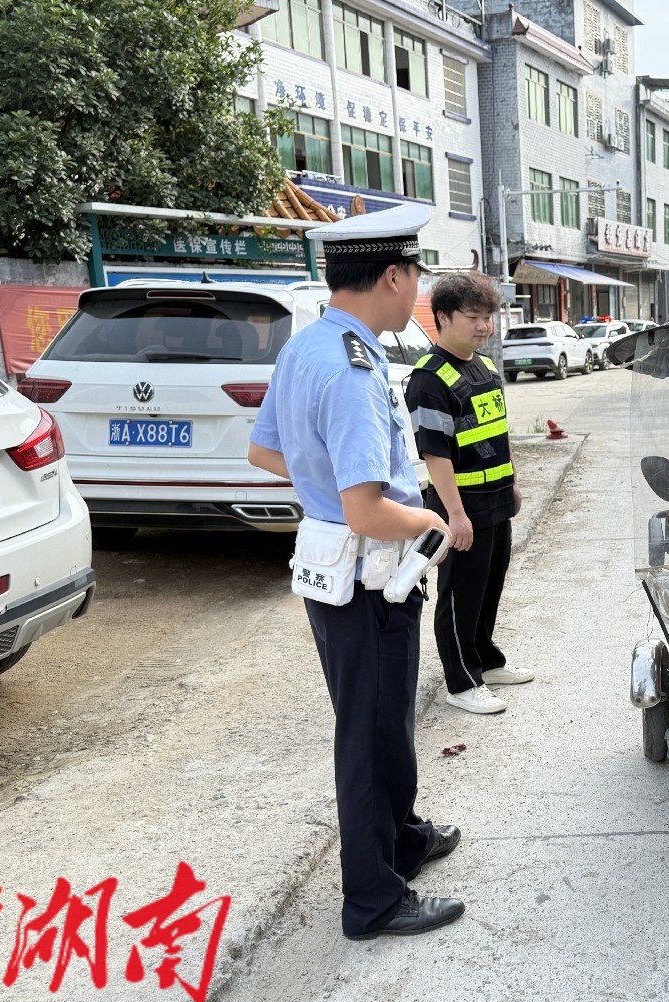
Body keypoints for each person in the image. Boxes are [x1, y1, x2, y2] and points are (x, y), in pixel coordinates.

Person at [247, 202, 464, 941]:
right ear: (394, 277)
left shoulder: (308, 347)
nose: (419, 292)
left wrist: (324, 484)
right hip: (368, 576)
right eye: (418, 277)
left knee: (384, 719)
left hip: (344, 571)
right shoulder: (352, 369)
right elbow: (368, 510)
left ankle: (401, 839)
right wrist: (431, 522)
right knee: (368, 736)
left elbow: (265, 451)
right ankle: (372, 900)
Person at [407, 274, 533, 716]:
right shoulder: (429, 378)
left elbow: (499, 432)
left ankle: (486, 662)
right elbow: (435, 453)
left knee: (488, 586)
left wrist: (512, 482)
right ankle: (461, 682)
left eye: (488, 317)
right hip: (462, 506)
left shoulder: (486, 368)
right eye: (473, 317)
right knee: (460, 593)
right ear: (443, 317)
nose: (484, 326)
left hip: (496, 499)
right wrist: (456, 515)